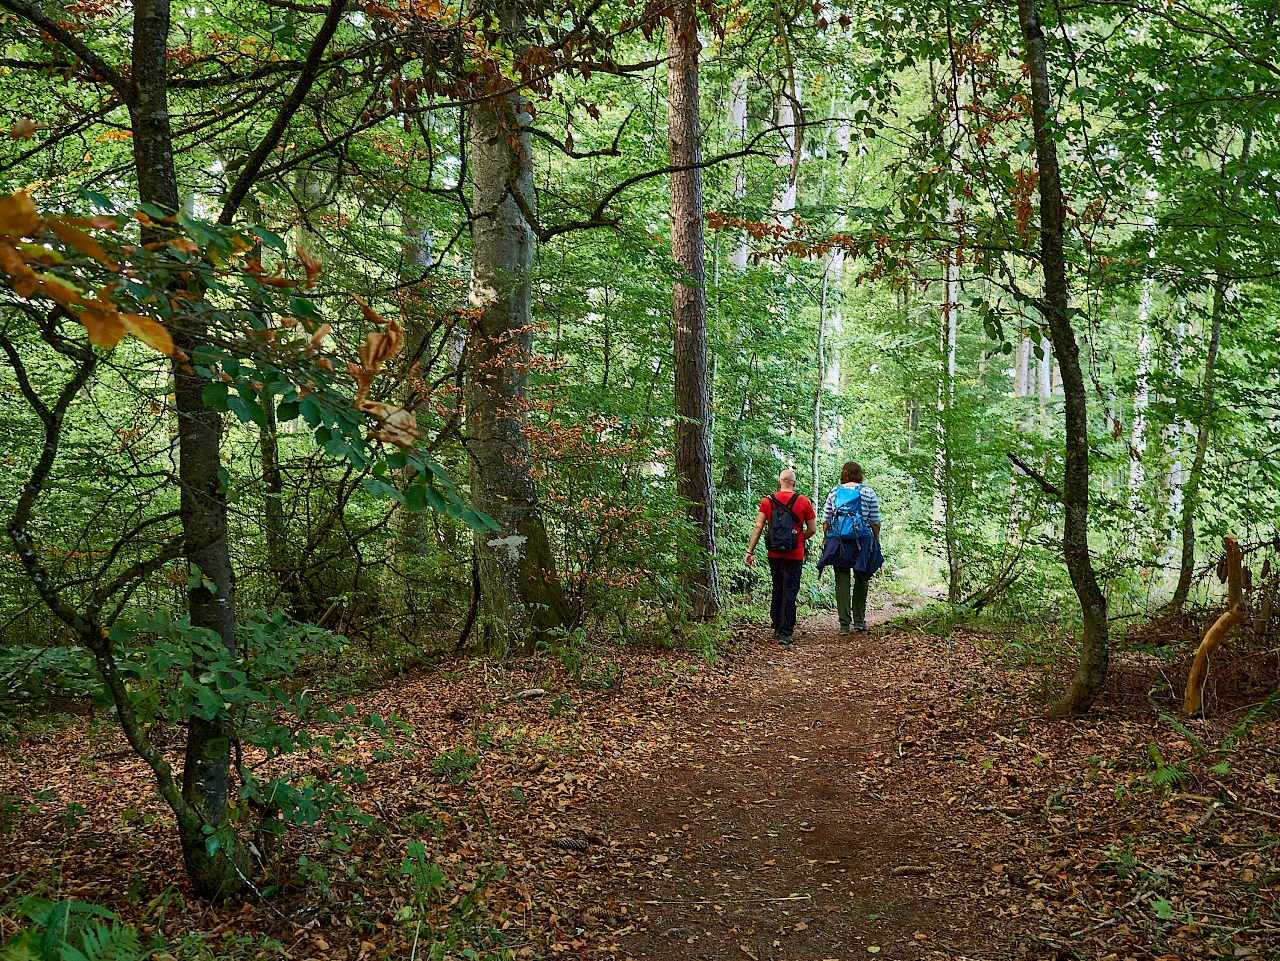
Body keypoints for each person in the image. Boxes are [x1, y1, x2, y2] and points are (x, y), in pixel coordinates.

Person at [744, 469, 817, 645]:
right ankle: (786, 632)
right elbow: (812, 529)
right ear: (794, 483)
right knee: (790, 590)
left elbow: (758, 526)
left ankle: (776, 624)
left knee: (777, 587)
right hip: (795, 553)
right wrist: (798, 538)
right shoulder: (803, 501)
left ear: (779, 482)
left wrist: (750, 551)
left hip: (774, 552)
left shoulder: (767, 501)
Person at [820, 461, 882, 635]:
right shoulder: (868, 492)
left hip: (839, 540)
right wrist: (875, 540)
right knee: (862, 577)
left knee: (842, 579)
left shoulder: (834, 491)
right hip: (862, 539)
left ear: (844, 474)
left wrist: (828, 538)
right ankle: (860, 621)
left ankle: (844, 624)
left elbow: (826, 520)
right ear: (860, 474)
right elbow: (875, 521)